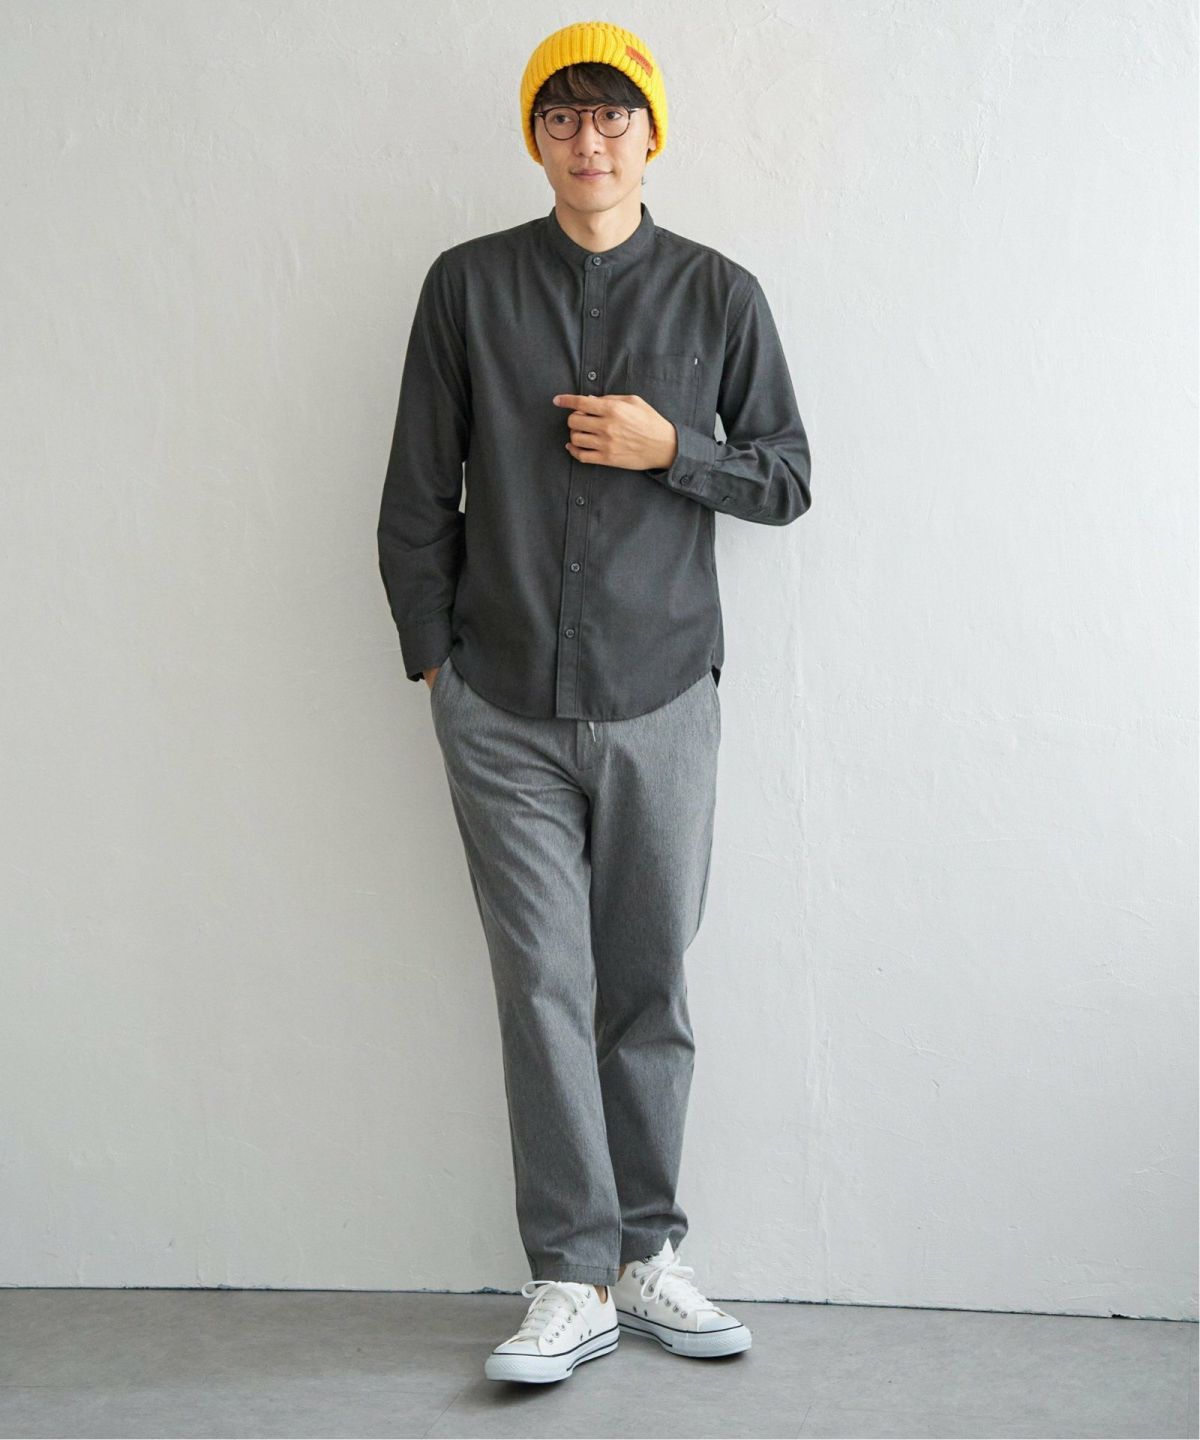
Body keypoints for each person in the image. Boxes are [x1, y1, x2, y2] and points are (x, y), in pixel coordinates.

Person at [377, 20, 812, 1385]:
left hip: (662, 694)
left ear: (651, 132)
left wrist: (674, 446)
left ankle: (648, 1255)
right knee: (543, 988)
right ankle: (569, 1275)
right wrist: (439, 665)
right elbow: (415, 493)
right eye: (562, 116)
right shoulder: (467, 287)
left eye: (613, 114)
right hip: (500, 700)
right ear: (535, 136)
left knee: (648, 983)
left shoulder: (721, 295)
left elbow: (788, 477)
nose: (589, 140)